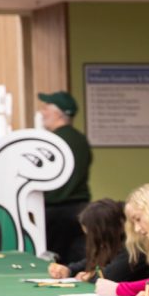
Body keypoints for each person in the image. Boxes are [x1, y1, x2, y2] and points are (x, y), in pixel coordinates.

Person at [39, 91, 92, 265]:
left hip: (54, 213)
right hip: (80, 210)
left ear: (57, 113)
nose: (42, 112)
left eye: (46, 108)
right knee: (75, 259)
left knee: (53, 260)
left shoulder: (52, 142)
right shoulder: (81, 140)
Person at [47, 198, 149, 283]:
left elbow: (109, 277)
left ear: (103, 233)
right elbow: (95, 259)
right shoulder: (114, 242)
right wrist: (69, 270)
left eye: (91, 236)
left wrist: (89, 277)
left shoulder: (134, 248)